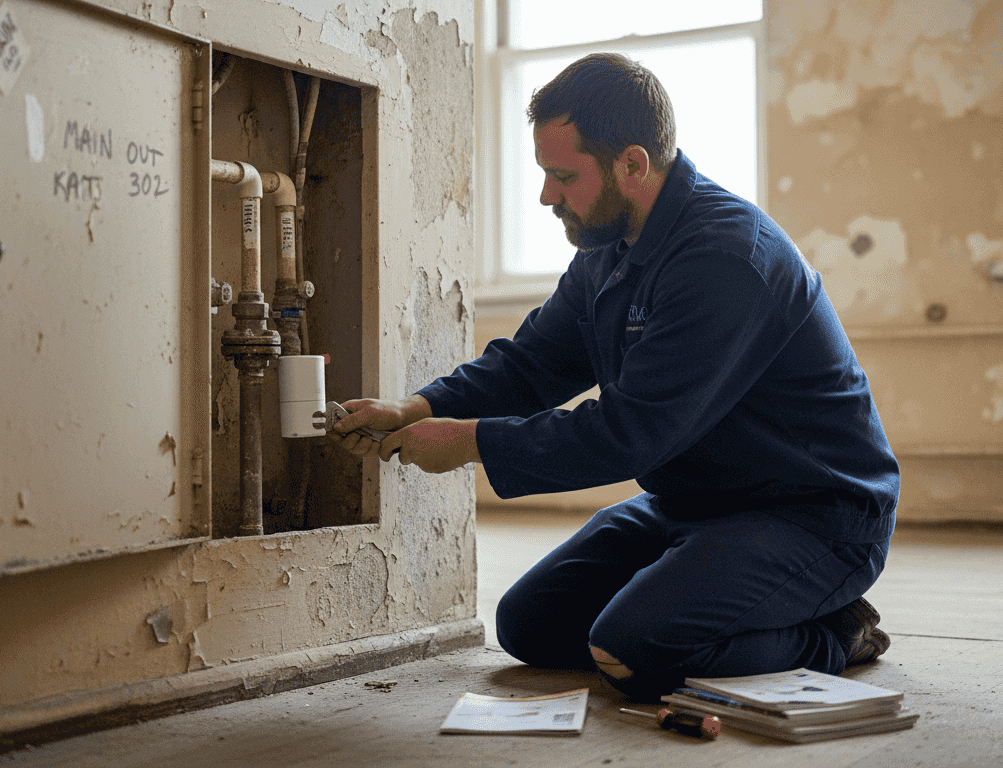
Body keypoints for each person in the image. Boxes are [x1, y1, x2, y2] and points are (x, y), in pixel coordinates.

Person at [328, 52, 900, 701]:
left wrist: (471, 442)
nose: (547, 196)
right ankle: (722, 595)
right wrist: (416, 408)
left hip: (812, 514)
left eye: (562, 176)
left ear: (632, 163)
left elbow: (633, 432)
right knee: (530, 626)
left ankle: (834, 633)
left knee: (638, 647)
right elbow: (532, 364)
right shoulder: (609, 250)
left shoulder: (727, 260)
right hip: (695, 505)